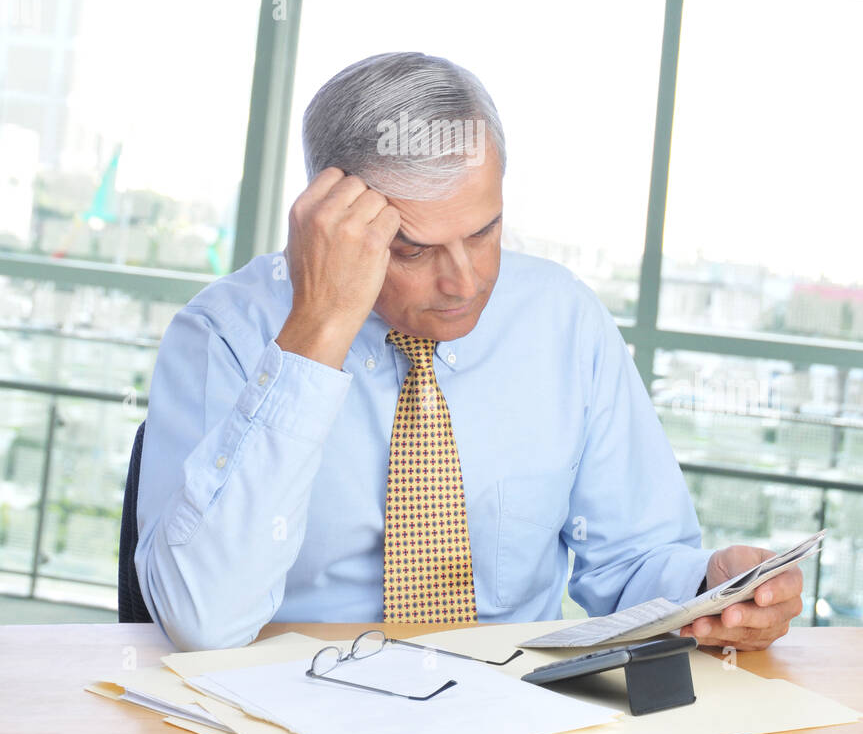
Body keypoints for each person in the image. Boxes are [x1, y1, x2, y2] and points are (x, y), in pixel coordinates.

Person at [135, 51, 803, 651]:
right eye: (412, 249)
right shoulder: (222, 335)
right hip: (289, 712)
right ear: (330, 221)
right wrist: (317, 331)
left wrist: (709, 588)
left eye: (483, 232)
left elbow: (631, 563)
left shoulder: (562, 320)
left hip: (509, 715)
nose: (465, 281)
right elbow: (201, 621)